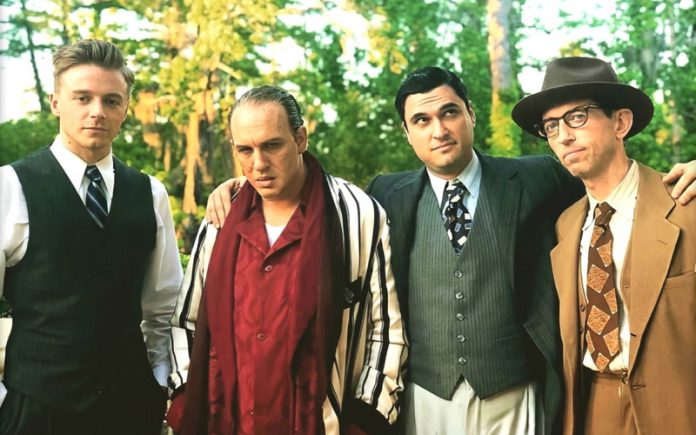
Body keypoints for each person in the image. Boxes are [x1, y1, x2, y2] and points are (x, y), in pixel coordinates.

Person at [205, 68, 696, 435]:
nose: (438, 129)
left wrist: (686, 173)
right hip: (425, 397)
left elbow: (611, 182)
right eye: (421, 120)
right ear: (407, 132)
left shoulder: (538, 178)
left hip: (515, 395)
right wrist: (244, 189)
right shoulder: (384, 195)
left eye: (449, 113)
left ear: (470, 115)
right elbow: (312, 195)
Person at [166, 85, 407, 434]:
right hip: (227, 422)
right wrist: (184, 396)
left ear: (301, 138)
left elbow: (387, 329)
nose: (259, 164)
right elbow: (185, 320)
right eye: (245, 150)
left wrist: (367, 418)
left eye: (272, 146)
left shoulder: (357, 215)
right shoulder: (221, 219)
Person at [0, 39, 182, 434]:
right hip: (36, 410)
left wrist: (158, 381)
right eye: (82, 98)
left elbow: (163, 306)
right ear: (55, 103)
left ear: (125, 109)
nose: (97, 111)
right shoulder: (9, 186)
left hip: (130, 409)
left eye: (111, 101)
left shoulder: (150, 194)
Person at [512, 56, 696, 435]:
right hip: (592, 409)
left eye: (577, 116)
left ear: (621, 123)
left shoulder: (685, 204)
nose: (564, 135)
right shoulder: (564, 227)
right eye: (551, 126)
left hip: (680, 409)